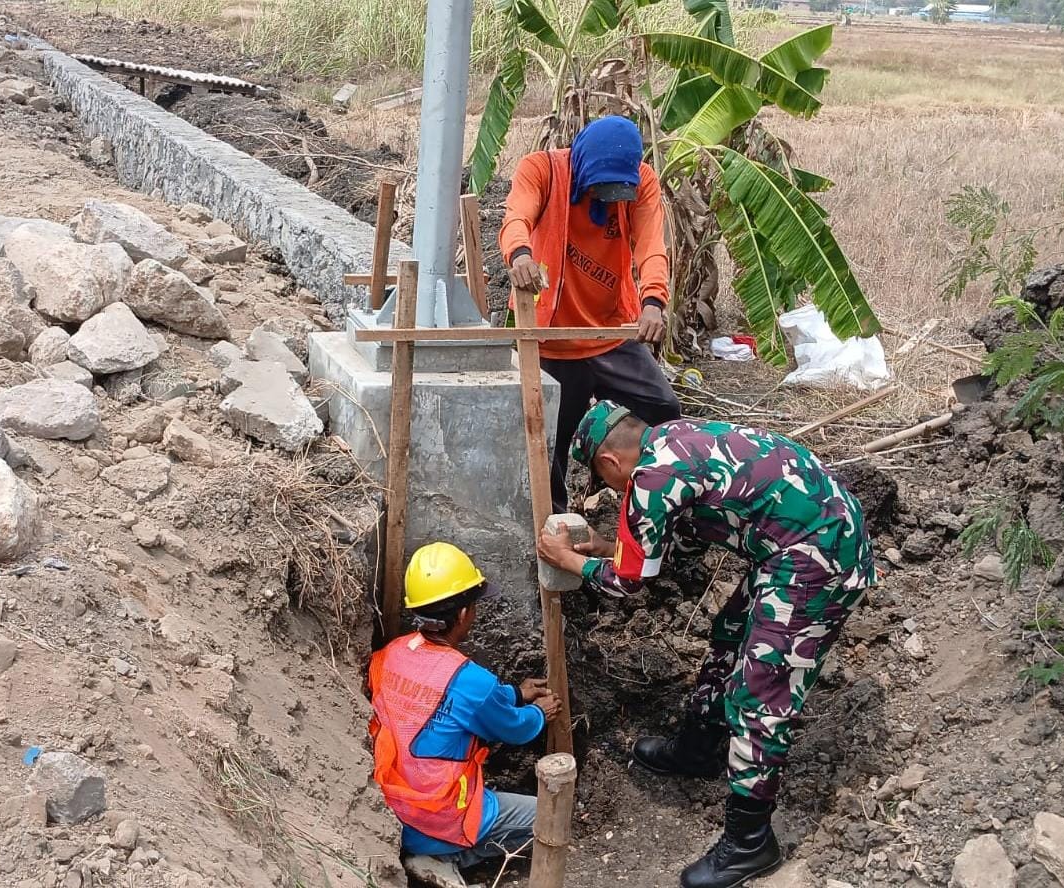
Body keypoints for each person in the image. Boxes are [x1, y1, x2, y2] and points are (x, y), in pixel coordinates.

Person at [537, 401, 877, 888]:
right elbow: (672, 547)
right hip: (800, 541)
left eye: (607, 482)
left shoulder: (652, 477)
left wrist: (566, 560)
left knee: (762, 689)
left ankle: (750, 842)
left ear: (610, 462)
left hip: (817, 556)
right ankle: (699, 748)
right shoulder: (675, 440)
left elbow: (627, 585)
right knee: (731, 632)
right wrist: (611, 546)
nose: (616, 492)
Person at [498, 115, 682, 513]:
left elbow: (651, 245)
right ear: (582, 165)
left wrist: (653, 301)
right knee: (550, 446)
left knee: (664, 409)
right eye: (600, 188)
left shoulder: (641, 182)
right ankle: (555, 526)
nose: (609, 197)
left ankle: (656, 499)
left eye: (617, 191)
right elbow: (516, 219)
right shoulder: (542, 170)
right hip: (554, 337)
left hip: (610, 332)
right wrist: (521, 255)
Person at [368, 542, 561, 879]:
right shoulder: (471, 680)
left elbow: (444, 696)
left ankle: (433, 851)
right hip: (439, 815)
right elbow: (516, 729)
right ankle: (452, 856)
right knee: (553, 815)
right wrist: (540, 713)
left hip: (393, 807)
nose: (474, 614)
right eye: (473, 607)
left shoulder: (392, 653)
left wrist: (515, 692)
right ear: (460, 615)